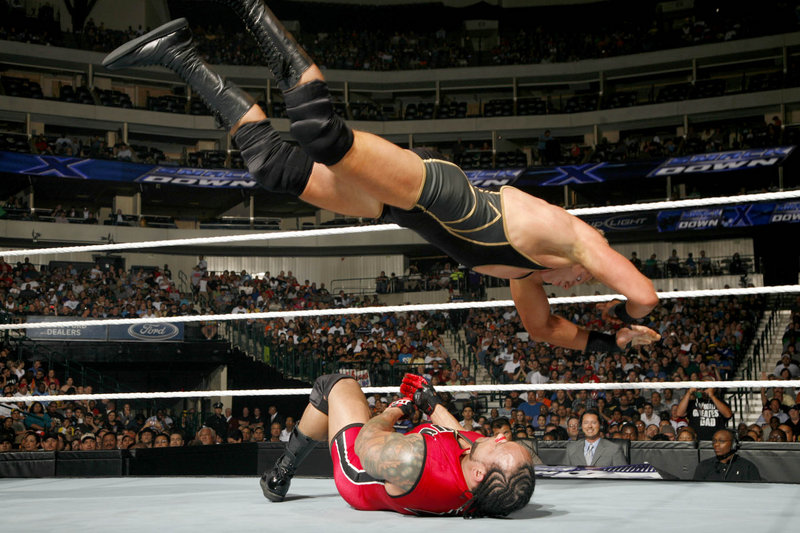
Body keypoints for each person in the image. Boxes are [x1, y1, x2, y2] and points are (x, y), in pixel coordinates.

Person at [102, 2, 661, 359]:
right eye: (582, 282)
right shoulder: (576, 237)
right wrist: (622, 314)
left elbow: (544, 331)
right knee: (322, 133)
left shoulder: (530, 275)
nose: (572, 288)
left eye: (577, 291)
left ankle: (178, 55)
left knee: (273, 166)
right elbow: (643, 294)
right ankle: (248, 7)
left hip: (401, 211)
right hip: (443, 193)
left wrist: (612, 341)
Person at [256, 372, 533, 517]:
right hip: (394, 453)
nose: (500, 437)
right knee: (333, 405)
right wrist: (430, 403)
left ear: (478, 475)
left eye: (500, 445)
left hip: (361, 468)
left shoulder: (413, 463)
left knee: (334, 385)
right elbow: (462, 436)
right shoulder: (491, 490)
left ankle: (282, 472)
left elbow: (367, 441)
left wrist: (395, 410)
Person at [693, 429, 761, 482]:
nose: (716, 444)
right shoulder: (704, 466)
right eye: (714, 441)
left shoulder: (747, 467)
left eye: (721, 441)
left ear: (733, 444)